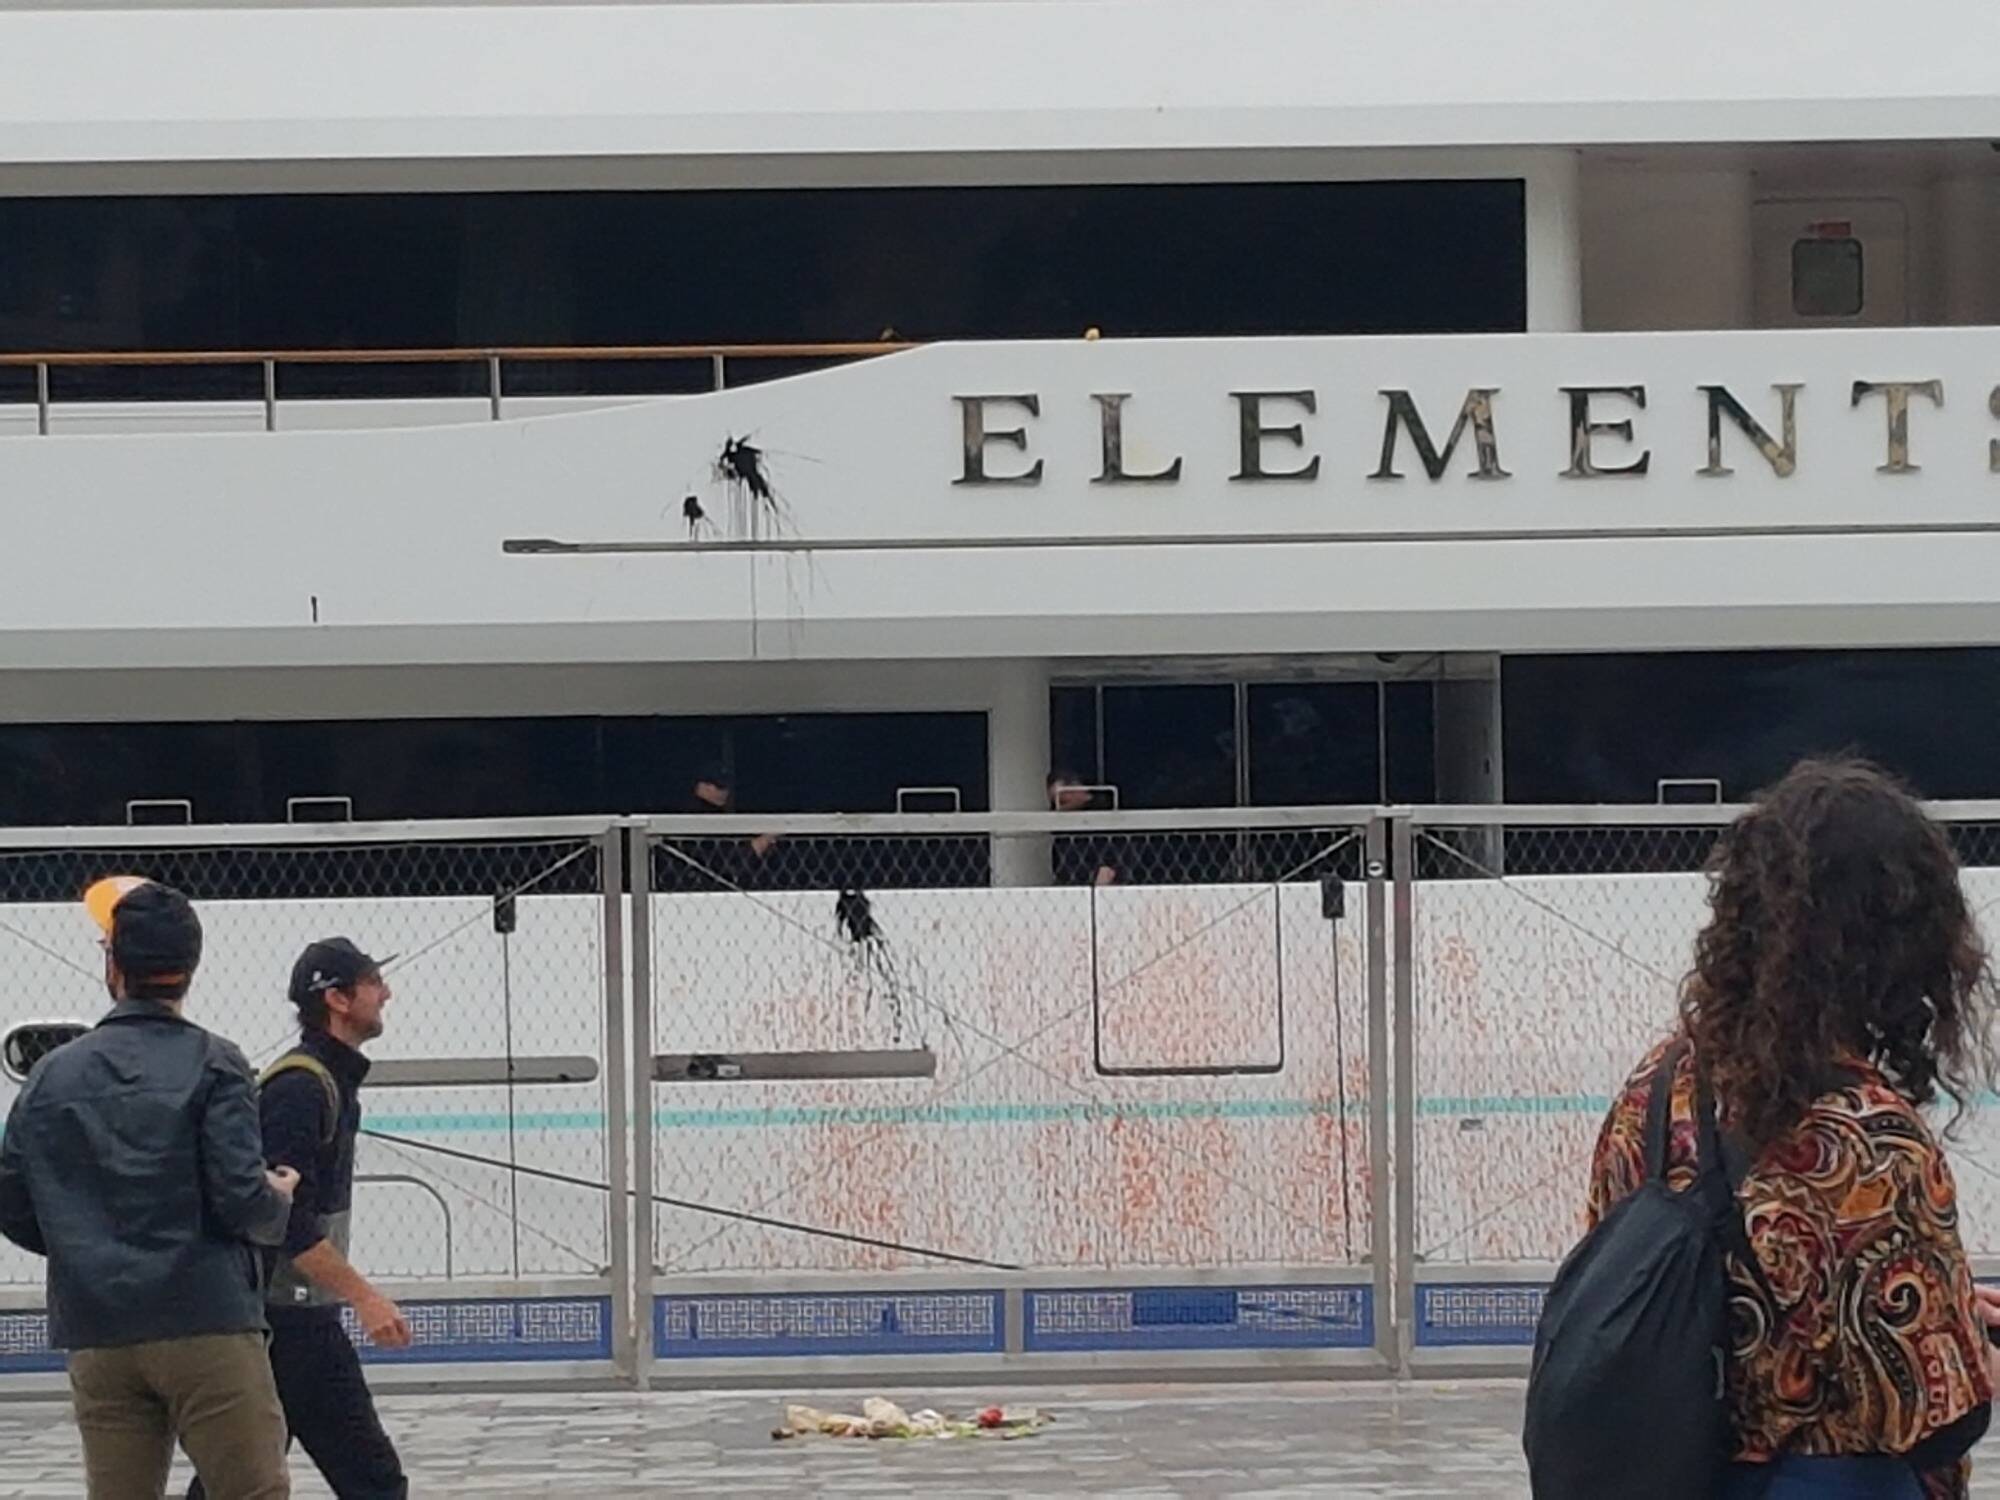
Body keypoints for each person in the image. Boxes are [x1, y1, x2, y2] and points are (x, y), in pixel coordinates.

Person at [1586, 759, 1999, 1499]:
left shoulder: (1655, 1092)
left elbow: (1684, 1302)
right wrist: (1967, 1347)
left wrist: (1944, 1307)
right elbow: (1935, 1422)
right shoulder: (1870, 1140)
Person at [0, 876, 296, 1499]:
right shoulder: (217, 1064)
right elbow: (240, 1197)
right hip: (205, 1318)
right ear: (190, 965)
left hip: (98, 1328)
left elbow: (12, 1198)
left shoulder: (51, 1076)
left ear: (115, 964)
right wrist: (280, 1197)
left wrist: (80, 1243)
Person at [189, 938, 411, 1500]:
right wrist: (365, 1296)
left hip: (291, 1318)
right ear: (337, 999)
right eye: (373, 983)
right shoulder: (300, 1088)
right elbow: (284, 1219)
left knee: (237, 1482)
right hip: (287, 1322)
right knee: (372, 1481)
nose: (386, 993)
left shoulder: (324, 1081)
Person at [1048, 767, 1119, 886]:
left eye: (1063, 800)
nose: (1059, 808)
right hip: (1070, 882)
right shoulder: (1060, 825)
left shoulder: (1102, 813)